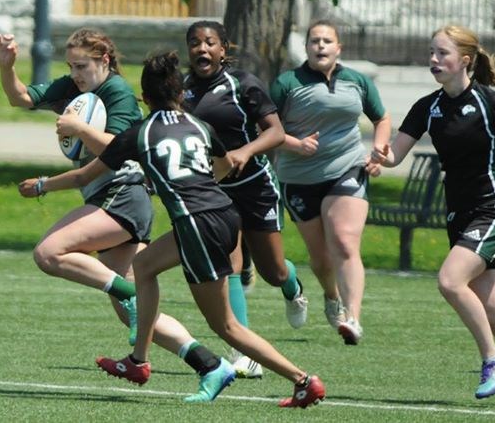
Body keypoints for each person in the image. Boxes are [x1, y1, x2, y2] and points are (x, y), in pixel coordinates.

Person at [21, 51, 326, 408]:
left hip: (198, 223)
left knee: (225, 326)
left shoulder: (140, 133)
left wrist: (41, 185)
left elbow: (83, 176)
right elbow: (226, 166)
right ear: (180, 94)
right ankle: (137, 361)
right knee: (143, 267)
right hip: (223, 213)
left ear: (145, 98)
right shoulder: (200, 126)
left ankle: (303, 380)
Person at [2, 29, 235, 404]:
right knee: (136, 317)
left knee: (49, 253)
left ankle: (127, 292)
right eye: (71, 66)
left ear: (104, 61)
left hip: (122, 196)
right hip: (108, 198)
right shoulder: (74, 87)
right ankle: (210, 365)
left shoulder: (119, 93)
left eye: (82, 66)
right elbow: (20, 97)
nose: (75, 73)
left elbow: (124, 147)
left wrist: (79, 131)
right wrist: (6, 65)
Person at [373, 25, 495, 399]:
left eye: (442, 54)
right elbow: (395, 155)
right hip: (460, 213)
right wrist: (379, 155)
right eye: (431, 53)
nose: (433, 60)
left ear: (465, 60)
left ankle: (492, 360)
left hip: (494, 207)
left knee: (450, 281)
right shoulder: (427, 107)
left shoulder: (492, 102)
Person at [182, 20, 307, 379]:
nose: (201, 49)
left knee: (273, 271)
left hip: (254, 185)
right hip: (213, 190)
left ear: (224, 49)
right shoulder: (183, 89)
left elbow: (276, 132)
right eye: (195, 43)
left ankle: (294, 288)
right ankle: (244, 351)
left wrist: (245, 152)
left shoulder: (244, 84)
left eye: (209, 43)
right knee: (229, 264)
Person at [269, 20, 390, 345]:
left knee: (345, 241)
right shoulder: (287, 83)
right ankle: (330, 294)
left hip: (347, 168)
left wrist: (379, 149)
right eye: (314, 41)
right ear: (306, 47)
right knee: (321, 259)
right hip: (299, 178)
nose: (320, 46)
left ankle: (353, 318)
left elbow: (382, 118)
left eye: (327, 41)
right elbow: (266, 131)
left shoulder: (357, 81)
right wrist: (296, 145)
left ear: (339, 48)